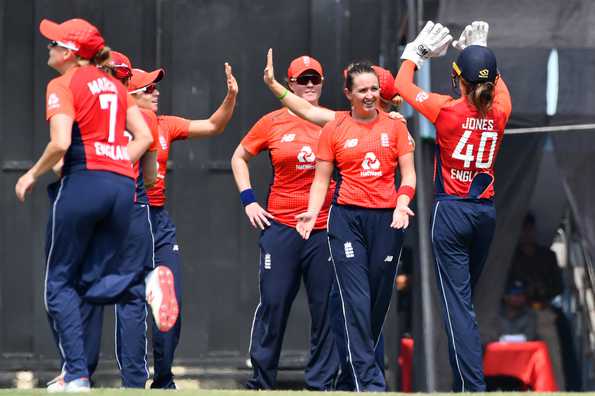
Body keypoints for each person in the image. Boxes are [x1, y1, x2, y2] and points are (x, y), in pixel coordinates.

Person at [15, 18, 154, 392]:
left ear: (70, 53)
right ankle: (143, 283)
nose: (48, 47)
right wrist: (117, 162)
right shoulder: (115, 85)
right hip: (123, 186)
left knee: (57, 283)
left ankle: (77, 373)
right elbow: (144, 136)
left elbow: (60, 144)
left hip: (85, 184)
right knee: (89, 279)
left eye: (54, 42)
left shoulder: (62, 83)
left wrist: (31, 174)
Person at [280, 60, 416, 391]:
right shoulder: (335, 128)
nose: (369, 96)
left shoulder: (396, 127)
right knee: (355, 300)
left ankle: (347, 379)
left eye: (374, 89)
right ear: (349, 94)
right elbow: (321, 180)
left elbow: (408, 175)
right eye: (362, 90)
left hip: (387, 219)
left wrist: (402, 202)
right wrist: (313, 213)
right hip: (346, 220)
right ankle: (370, 384)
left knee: (376, 305)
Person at [394, 20, 512, 391]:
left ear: (458, 81)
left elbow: (401, 86)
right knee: (462, 303)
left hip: (452, 212)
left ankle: (470, 386)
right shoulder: (501, 110)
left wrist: (414, 55)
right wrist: (480, 52)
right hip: (484, 214)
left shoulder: (448, 111)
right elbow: (494, 84)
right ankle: (467, 380)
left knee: (458, 307)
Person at [231, 55, 338, 390]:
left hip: (324, 227)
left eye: (314, 79)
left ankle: (320, 383)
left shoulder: (334, 121)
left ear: (322, 82)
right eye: (302, 80)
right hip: (282, 226)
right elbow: (239, 157)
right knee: (274, 302)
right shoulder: (272, 122)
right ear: (289, 84)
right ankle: (261, 380)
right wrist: (248, 200)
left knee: (326, 308)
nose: (309, 86)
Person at [135, 62, 238, 389]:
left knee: (170, 304)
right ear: (128, 96)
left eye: (156, 87)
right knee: (129, 309)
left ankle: (164, 381)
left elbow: (212, 126)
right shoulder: (119, 128)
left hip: (159, 222)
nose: (156, 92)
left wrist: (231, 96)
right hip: (128, 219)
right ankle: (126, 378)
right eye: (148, 89)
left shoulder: (165, 124)